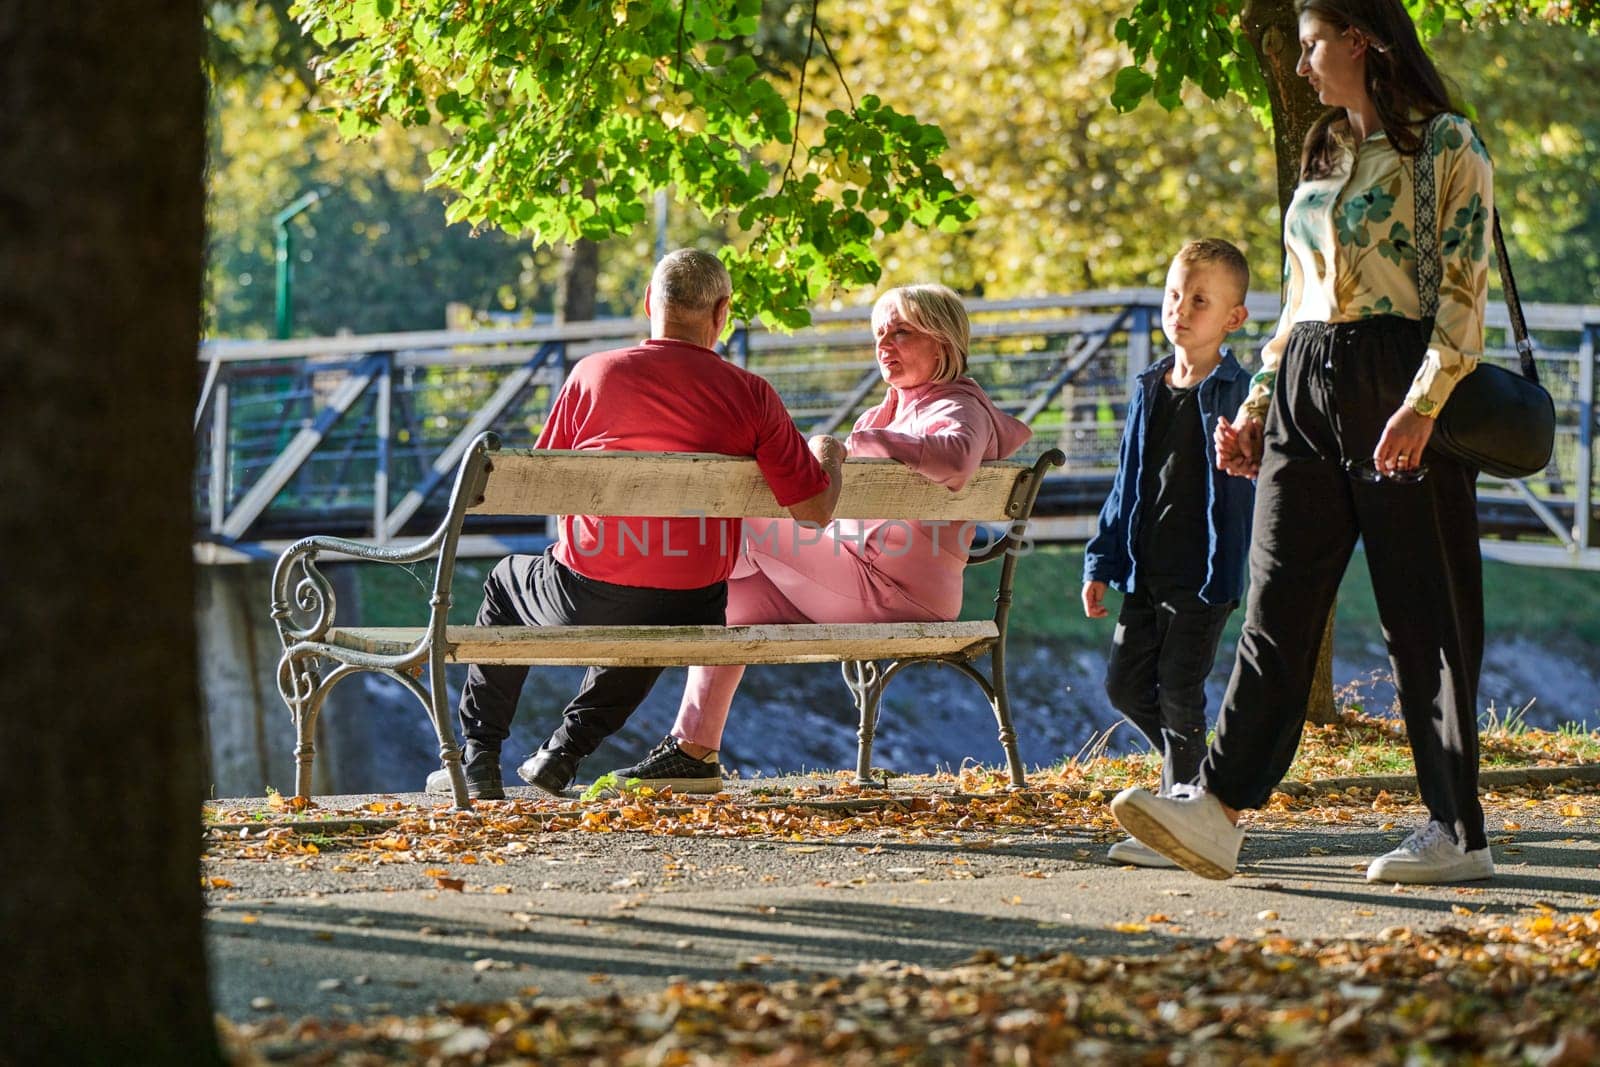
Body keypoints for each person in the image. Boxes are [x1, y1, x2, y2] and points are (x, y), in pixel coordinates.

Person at [1112, 0, 1496, 885]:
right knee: (1275, 601)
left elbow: (1461, 292)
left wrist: (1426, 402)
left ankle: (1456, 826)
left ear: (1364, 38)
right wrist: (1254, 405)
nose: (1300, 64)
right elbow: (1295, 301)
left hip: (1401, 379)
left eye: (1315, 43)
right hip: (1308, 382)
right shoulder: (1323, 150)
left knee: (1424, 617)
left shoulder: (1446, 145)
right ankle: (1218, 808)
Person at [424, 248, 844, 800]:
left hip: (586, 594)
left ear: (649, 302)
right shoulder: (752, 394)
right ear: (722, 313)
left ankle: (477, 759)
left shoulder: (595, 373)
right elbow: (814, 512)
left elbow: (545, 483)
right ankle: (563, 753)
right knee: (656, 605)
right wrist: (830, 456)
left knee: (508, 581)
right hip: (696, 605)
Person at [603, 283, 1032, 792]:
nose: (884, 346)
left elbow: (958, 458)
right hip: (855, 577)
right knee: (727, 601)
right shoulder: (880, 414)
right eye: (879, 335)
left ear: (943, 342)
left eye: (901, 333)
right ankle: (692, 752)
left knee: (753, 522)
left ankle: (660, 576)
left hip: (898, 595)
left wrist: (854, 446)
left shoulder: (960, 406)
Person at [1082, 238, 1255, 868]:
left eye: (1200, 300)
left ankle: (1183, 809)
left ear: (1233, 318)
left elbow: (1258, 472)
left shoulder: (1240, 391)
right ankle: (1200, 790)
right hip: (1148, 570)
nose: (1181, 309)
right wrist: (1101, 562)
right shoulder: (1150, 385)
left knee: (1181, 689)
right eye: (1174, 295)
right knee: (1126, 686)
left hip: (1205, 574)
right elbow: (1126, 482)